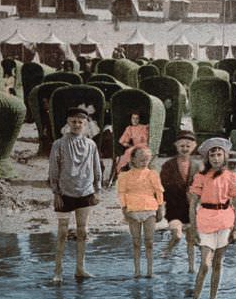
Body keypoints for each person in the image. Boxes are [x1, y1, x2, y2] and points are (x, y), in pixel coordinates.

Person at [48, 107, 104, 283]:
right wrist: (56, 192)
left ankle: (80, 268)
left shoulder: (91, 144)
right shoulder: (58, 144)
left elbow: (97, 168)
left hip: (86, 192)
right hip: (64, 192)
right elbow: (53, 169)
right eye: (73, 121)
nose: (77, 125)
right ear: (68, 122)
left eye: (80, 122)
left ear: (86, 124)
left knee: (83, 231)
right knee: (62, 232)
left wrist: (97, 189)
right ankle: (58, 271)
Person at [188, 137, 236, 299]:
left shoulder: (232, 177)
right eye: (212, 155)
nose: (216, 158)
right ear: (208, 158)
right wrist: (192, 227)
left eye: (219, 154)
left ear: (224, 157)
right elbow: (193, 204)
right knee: (205, 263)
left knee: (218, 263)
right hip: (205, 219)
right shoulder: (200, 176)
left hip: (225, 220)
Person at [116, 147, 165, 278]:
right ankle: (137, 271)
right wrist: (124, 208)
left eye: (147, 158)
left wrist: (160, 208)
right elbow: (121, 193)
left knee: (149, 241)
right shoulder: (124, 175)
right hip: (132, 210)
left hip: (150, 209)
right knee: (136, 242)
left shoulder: (152, 174)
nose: (144, 161)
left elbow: (159, 191)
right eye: (141, 158)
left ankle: (150, 271)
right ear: (133, 159)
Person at [160, 130, 199, 272]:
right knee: (177, 235)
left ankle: (191, 268)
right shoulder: (168, 165)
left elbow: (201, 185)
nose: (185, 149)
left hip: (191, 207)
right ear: (176, 146)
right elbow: (162, 186)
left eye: (188, 146)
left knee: (191, 240)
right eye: (182, 146)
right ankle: (168, 249)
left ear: (193, 147)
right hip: (174, 206)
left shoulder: (197, 166)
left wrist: (194, 194)